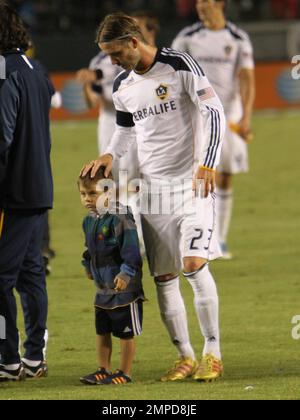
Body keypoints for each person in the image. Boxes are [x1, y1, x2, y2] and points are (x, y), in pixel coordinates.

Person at [82, 12, 226, 382]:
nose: (112, 61)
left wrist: (207, 163)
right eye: (107, 55)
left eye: (116, 53)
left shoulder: (178, 64)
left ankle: (213, 351)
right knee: (164, 277)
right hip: (153, 193)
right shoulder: (122, 85)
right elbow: (125, 131)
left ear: (133, 42)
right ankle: (185, 356)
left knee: (193, 264)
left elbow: (214, 111)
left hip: (192, 184)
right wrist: (109, 155)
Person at [172, 0, 255, 259]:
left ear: (220, 4)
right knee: (204, 176)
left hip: (230, 115)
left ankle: (220, 238)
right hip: (199, 116)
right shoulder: (187, 37)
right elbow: (172, 73)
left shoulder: (238, 38)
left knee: (226, 176)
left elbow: (247, 78)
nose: (200, 5)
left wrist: (246, 118)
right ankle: (202, 237)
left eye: (206, 1)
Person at [0, 4, 53, 381]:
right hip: (38, 188)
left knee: (1, 277)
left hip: (10, 194)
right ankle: (34, 356)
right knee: (30, 274)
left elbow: (1, 137)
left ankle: (7, 358)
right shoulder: (36, 70)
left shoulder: (3, 72)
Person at [78, 167, 144, 385]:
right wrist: (87, 265)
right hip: (103, 288)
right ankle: (103, 370)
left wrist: (126, 274)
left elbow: (133, 250)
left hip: (124, 290)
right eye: (83, 194)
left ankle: (124, 373)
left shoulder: (120, 218)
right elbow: (90, 249)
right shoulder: (89, 221)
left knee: (125, 333)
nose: (87, 199)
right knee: (102, 330)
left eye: (93, 194)